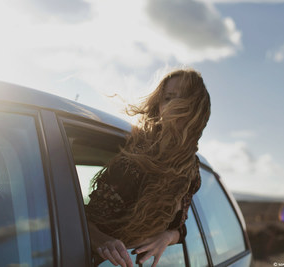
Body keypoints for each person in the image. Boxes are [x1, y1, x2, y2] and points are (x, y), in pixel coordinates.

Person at [85, 68, 211, 267]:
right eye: (168, 98)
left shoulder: (190, 169)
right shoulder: (132, 161)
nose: (173, 106)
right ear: (158, 105)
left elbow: (181, 227)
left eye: (182, 100)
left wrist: (167, 237)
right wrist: (102, 242)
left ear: (196, 111)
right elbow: (81, 222)